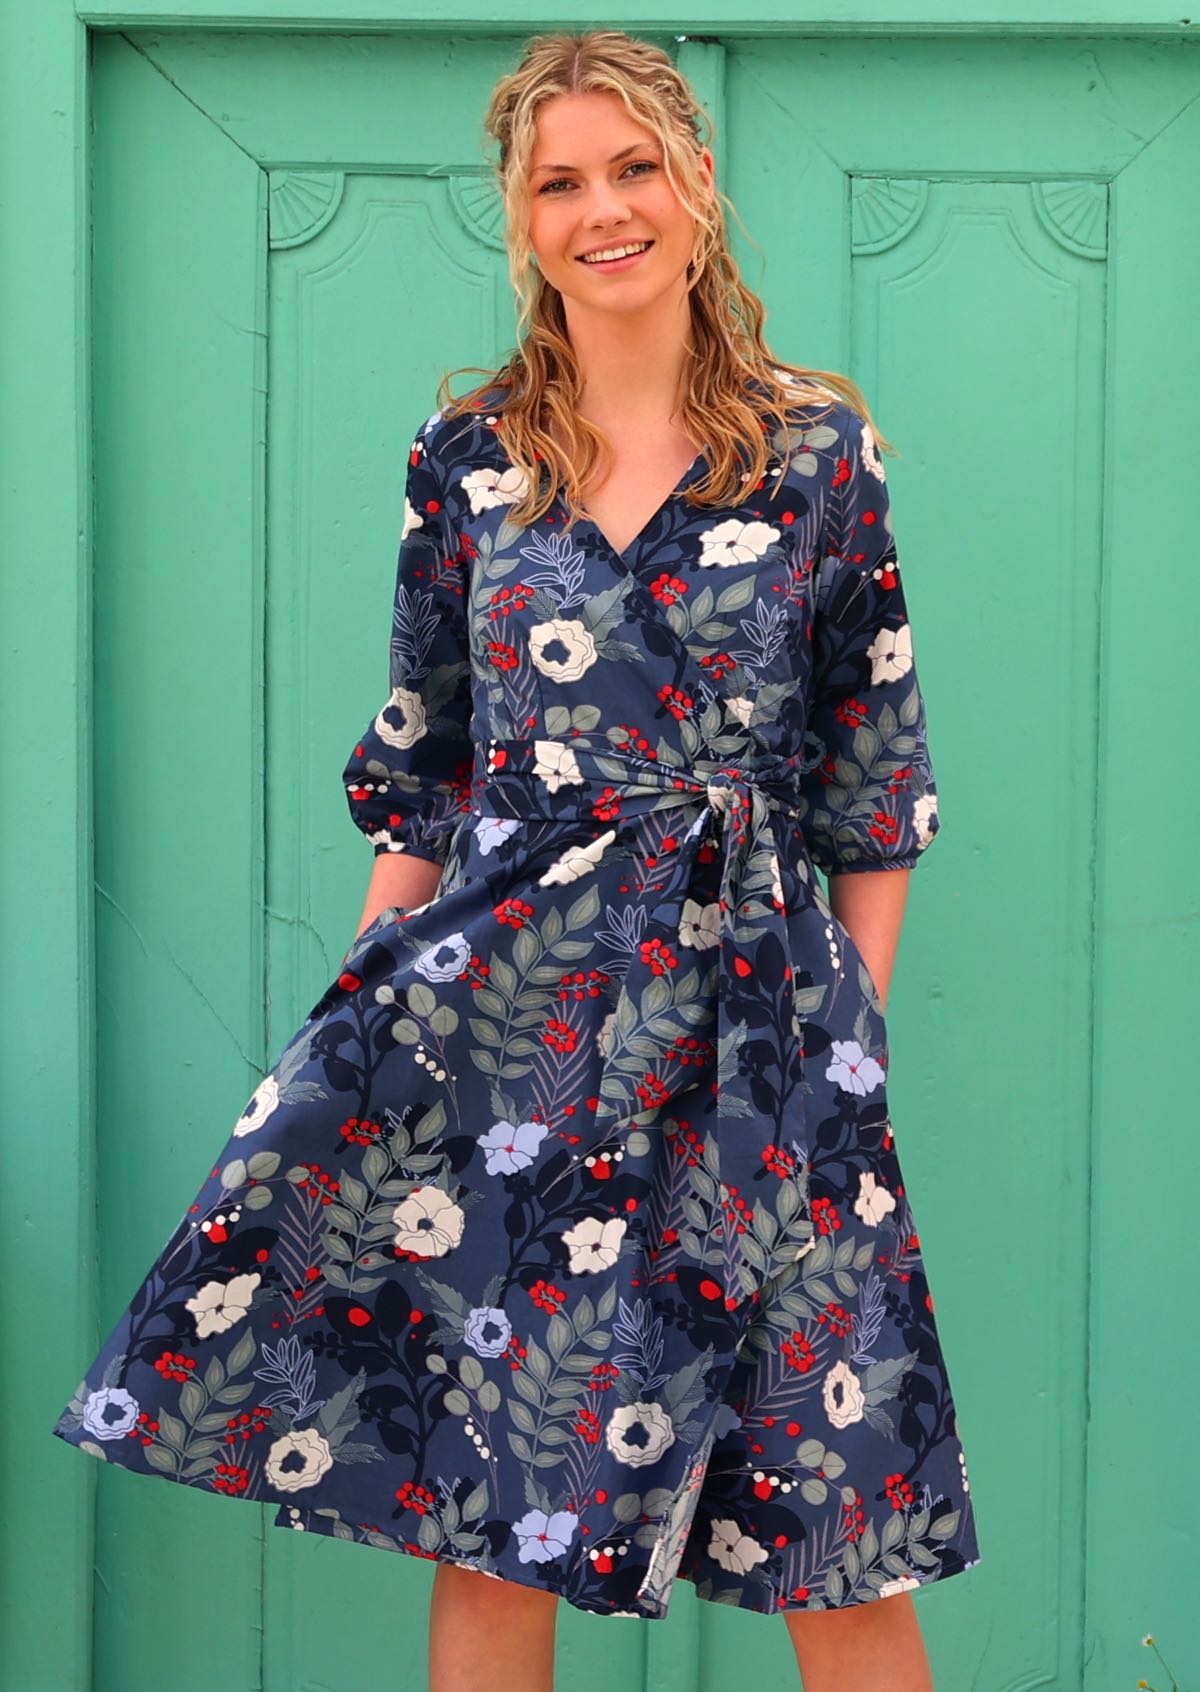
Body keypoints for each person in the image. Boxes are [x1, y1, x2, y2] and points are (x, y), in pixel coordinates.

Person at [51, 27, 981, 1692]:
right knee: (494, 1521)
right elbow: (420, 774)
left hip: (764, 1047)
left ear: (698, 185)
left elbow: (875, 775)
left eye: (633, 168)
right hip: (508, 1043)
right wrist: (348, 1047)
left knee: (844, 1525)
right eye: (561, 181)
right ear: (520, 215)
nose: (601, 208)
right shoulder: (466, 466)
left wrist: (853, 1038)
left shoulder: (822, 458)